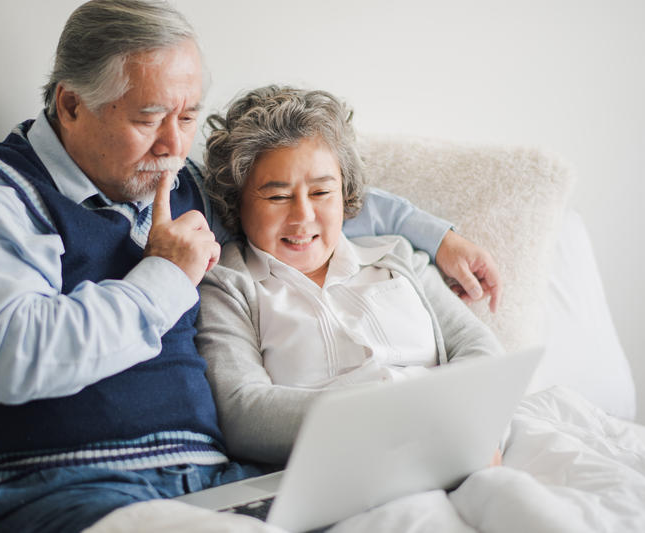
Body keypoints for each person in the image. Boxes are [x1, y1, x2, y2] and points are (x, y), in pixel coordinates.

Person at [0, 1, 499, 531]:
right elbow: (11, 355)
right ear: (71, 105)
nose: (173, 146)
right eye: (149, 118)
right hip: (53, 487)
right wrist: (165, 277)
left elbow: (300, 203)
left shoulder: (186, 185)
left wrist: (439, 237)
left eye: (188, 117)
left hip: (216, 485)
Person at [197, 85, 504, 465]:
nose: (303, 216)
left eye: (322, 192)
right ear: (237, 201)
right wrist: (398, 421)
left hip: (464, 445)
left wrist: (469, 427)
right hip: (348, 467)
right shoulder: (228, 284)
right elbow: (244, 412)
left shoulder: (398, 256)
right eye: (277, 197)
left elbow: (484, 354)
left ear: (346, 194)